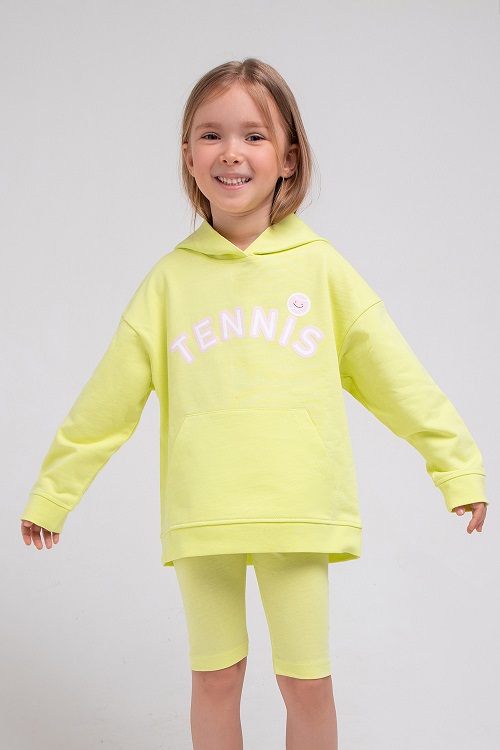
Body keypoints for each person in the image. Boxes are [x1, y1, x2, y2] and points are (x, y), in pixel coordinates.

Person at [20, 58, 488, 750]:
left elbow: (398, 379)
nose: (231, 152)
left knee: (306, 683)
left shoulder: (322, 268)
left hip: (296, 505)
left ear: (288, 158)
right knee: (215, 679)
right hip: (203, 507)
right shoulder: (169, 281)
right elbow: (106, 402)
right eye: (211, 135)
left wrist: (457, 467)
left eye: (254, 135)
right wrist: (54, 494)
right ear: (188, 156)